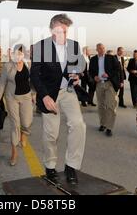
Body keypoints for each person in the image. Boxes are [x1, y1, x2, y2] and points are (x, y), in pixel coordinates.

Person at [30, 13, 86, 185]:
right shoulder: (41, 47)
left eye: (65, 31)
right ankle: (50, 165)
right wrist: (44, 95)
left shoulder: (74, 46)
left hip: (68, 91)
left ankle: (71, 166)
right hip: (49, 93)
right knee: (51, 134)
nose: (62, 35)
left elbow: (81, 65)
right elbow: (35, 75)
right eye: (59, 31)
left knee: (78, 125)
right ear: (51, 29)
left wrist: (78, 75)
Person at [0, 44, 33, 166]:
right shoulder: (7, 65)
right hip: (12, 98)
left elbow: (32, 81)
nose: (19, 56)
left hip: (26, 97)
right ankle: (14, 152)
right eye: (16, 53)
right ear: (13, 54)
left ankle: (24, 134)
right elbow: (2, 83)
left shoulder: (28, 63)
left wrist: (35, 95)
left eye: (21, 53)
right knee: (15, 124)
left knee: (26, 122)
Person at [89, 43, 121, 136]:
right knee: (101, 105)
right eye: (100, 48)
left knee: (111, 105)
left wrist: (109, 75)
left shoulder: (111, 58)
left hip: (109, 84)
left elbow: (117, 68)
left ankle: (109, 127)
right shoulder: (93, 59)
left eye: (103, 48)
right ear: (96, 50)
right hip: (99, 85)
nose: (102, 50)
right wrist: (94, 76)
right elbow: (90, 71)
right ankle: (103, 124)